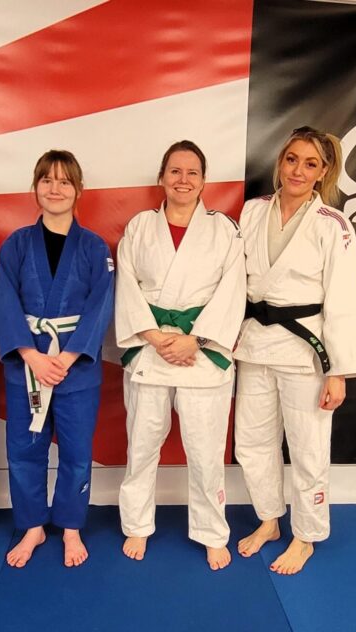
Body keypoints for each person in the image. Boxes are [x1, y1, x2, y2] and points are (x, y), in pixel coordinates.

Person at [233, 126, 356, 575]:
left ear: (323, 172)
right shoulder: (253, 211)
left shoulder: (333, 224)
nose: (298, 170)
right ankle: (269, 520)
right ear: (280, 162)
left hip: (304, 350)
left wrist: (339, 372)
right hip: (254, 344)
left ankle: (305, 535)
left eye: (310, 164)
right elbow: (233, 279)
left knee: (308, 448)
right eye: (292, 159)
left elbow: (345, 299)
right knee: (252, 442)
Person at [114, 141, 246, 570]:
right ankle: (137, 523)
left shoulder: (224, 230)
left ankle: (211, 531)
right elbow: (127, 285)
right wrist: (154, 337)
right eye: (175, 171)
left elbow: (234, 291)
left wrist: (197, 340)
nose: (183, 180)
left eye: (192, 172)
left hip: (201, 352)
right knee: (142, 445)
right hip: (150, 348)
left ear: (204, 181)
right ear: (161, 177)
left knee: (206, 452)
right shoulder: (140, 227)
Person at [0, 150, 114, 568]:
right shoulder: (15, 245)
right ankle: (32, 526)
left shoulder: (94, 247)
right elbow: (5, 300)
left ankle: (71, 526)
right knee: (24, 449)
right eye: (47, 180)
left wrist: (68, 355)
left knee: (77, 451)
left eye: (65, 181)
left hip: (74, 367)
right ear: (35, 186)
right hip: (27, 365)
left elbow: (101, 305)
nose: (55, 188)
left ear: (79, 190)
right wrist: (31, 354)